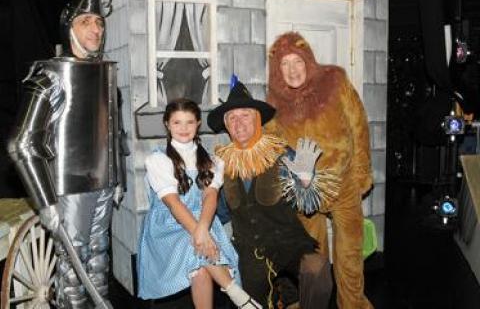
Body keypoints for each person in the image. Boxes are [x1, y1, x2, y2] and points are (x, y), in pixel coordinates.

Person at [8, 0, 125, 308]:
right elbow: (21, 144)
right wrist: (45, 202)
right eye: (86, 21)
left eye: (99, 23)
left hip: (104, 184)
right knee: (73, 274)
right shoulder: (50, 77)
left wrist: (120, 180)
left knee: (99, 261)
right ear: (69, 28)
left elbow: (116, 133)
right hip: (69, 188)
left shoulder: (106, 74)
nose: (96, 30)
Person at [266, 32, 373, 308]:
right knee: (312, 259)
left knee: (349, 255)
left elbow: (358, 126)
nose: (292, 70)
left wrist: (362, 172)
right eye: (284, 65)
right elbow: (273, 149)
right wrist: (289, 183)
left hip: (344, 183)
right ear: (277, 71)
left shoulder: (335, 81)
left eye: (297, 61)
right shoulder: (274, 103)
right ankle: (312, 302)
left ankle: (353, 303)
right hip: (305, 192)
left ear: (308, 60)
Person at [207, 80, 333, 309]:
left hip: (288, 244)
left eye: (245, 115)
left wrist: (306, 181)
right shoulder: (221, 164)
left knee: (317, 269)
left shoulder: (281, 154)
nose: (239, 123)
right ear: (226, 125)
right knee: (251, 303)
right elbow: (221, 215)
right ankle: (281, 296)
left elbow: (310, 206)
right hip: (248, 253)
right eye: (232, 118)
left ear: (257, 119)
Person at [137, 98, 262, 309]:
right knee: (195, 247)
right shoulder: (158, 160)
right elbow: (174, 204)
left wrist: (203, 229)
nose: (184, 128)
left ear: (198, 124)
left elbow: (210, 197)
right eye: (177, 122)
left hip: (203, 219)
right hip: (168, 226)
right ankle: (239, 296)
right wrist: (199, 233)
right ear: (167, 124)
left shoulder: (212, 161)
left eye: (189, 122)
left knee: (201, 265)